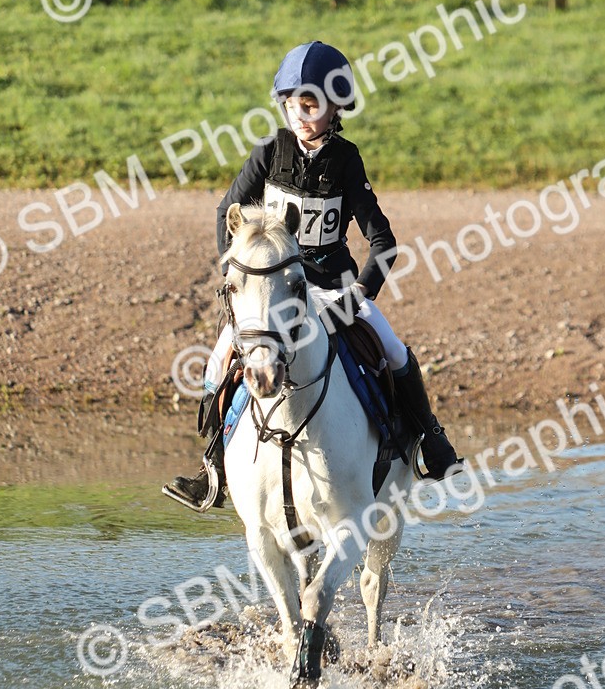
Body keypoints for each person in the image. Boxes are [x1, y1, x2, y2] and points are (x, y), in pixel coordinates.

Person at [164, 41, 461, 511]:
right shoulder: (269, 151)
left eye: (311, 106)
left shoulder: (346, 160)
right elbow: (227, 210)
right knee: (218, 361)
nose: (300, 115)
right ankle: (212, 467)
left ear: (335, 108)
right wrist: (239, 275)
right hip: (271, 291)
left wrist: (360, 293)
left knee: (392, 349)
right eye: (291, 105)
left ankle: (431, 438)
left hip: (330, 289)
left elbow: (384, 242)